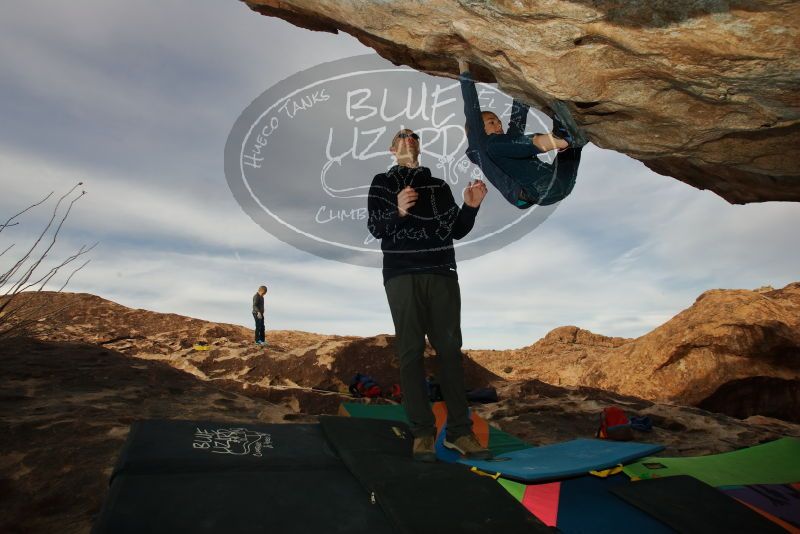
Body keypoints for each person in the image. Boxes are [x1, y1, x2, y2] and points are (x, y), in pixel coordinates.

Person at [367, 127, 492, 462]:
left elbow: (456, 229)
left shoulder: (439, 186)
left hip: (441, 273)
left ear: (418, 147)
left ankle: (460, 433)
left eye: (413, 136)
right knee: (410, 352)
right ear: (392, 149)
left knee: (450, 350)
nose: (409, 139)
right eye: (401, 137)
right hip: (401, 274)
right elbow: (376, 226)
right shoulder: (382, 182)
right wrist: (399, 210)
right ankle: (422, 432)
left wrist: (470, 207)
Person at [458, 58, 585, 209]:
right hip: (537, 190)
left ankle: (574, 138)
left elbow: (518, 117)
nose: (499, 124)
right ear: (476, 129)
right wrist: (463, 67)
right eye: (492, 122)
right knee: (493, 146)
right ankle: (559, 138)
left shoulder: (508, 146)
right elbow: (471, 107)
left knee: (577, 137)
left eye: (499, 121)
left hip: (562, 181)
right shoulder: (479, 144)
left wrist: (522, 78)